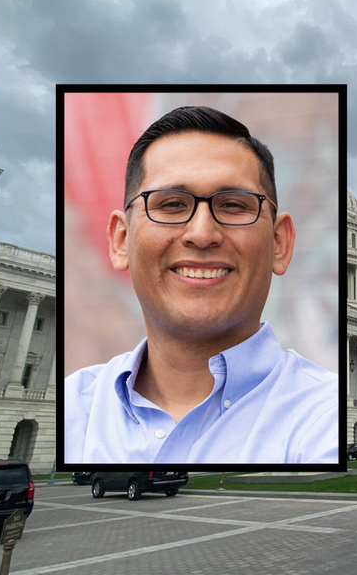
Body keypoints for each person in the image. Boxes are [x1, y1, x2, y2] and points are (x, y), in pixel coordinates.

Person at [65, 106, 339, 464]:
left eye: (233, 205)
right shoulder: (72, 406)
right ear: (120, 241)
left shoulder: (327, 420)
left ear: (280, 244)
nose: (202, 234)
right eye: (172, 204)